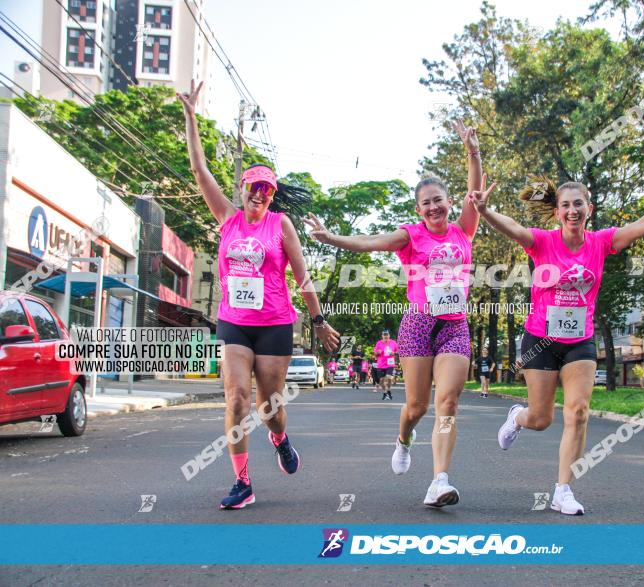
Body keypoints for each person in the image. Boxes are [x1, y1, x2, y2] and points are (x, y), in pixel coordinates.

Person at [470, 177, 644, 515]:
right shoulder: (543, 242)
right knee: (541, 419)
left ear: (589, 209)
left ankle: (563, 490)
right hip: (541, 339)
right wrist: (485, 212)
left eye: (578, 204)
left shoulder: (600, 243)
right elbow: (514, 229)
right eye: (566, 205)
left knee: (578, 412)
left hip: (580, 341)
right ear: (557, 212)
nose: (572, 210)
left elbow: (641, 226)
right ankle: (518, 417)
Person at [303, 120, 482, 507]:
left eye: (439, 199)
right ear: (418, 210)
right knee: (417, 406)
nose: (434, 207)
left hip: (454, 327)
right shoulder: (410, 235)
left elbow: (475, 191)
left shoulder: (463, 230)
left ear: (449, 202)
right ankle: (404, 439)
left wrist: (472, 150)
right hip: (418, 325)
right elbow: (370, 243)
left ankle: (439, 480)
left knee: (448, 401)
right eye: (426, 203)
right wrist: (331, 237)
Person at [179, 81, 339, 510]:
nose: (259, 193)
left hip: (274, 323)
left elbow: (302, 276)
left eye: (267, 189)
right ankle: (243, 483)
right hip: (234, 322)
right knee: (236, 398)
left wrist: (319, 320)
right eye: (254, 186)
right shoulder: (227, 219)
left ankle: (281, 438)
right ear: (244, 187)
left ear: (272, 195)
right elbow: (199, 171)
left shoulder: (280, 225)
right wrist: (191, 118)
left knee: (270, 406)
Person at [374, 329, 399, 400]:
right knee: (381, 381)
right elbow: (375, 353)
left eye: (387, 335)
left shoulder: (393, 343)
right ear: (382, 336)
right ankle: (387, 392)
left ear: (389, 335)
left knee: (388, 378)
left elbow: (398, 351)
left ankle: (386, 392)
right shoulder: (378, 343)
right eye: (384, 335)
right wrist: (377, 352)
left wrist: (394, 353)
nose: (385, 336)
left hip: (390, 364)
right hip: (381, 364)